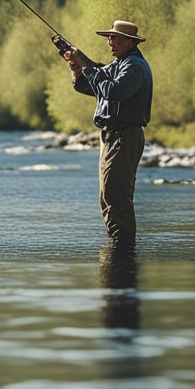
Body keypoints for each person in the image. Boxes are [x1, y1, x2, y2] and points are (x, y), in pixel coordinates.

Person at [57, 20, 153, 251]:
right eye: (109, 38)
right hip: (111, 138)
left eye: (115, 38)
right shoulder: (118, 65)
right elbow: (87, 86)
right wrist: (75, 67)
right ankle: (118, 248)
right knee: (107, 195)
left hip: (125, 137)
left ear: (131, 42)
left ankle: (123, 250)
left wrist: (86, 65)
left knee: (115, 195)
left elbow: (114, 91)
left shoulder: (134, 67)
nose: (110, 42)